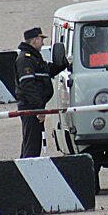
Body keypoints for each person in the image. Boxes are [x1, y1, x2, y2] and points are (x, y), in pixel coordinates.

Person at [15, 27, 65, 158]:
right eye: (41, 40)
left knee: (32, 141)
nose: (43, 43)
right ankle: (28, 170)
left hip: (34, 106)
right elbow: (28, 86)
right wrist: (38, 109)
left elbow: (47, 71)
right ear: (35, 40)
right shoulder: (26, 59)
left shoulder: (34, 57)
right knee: (32, 143)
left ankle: (27, 167)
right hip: (30, 107)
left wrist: (63, 64)